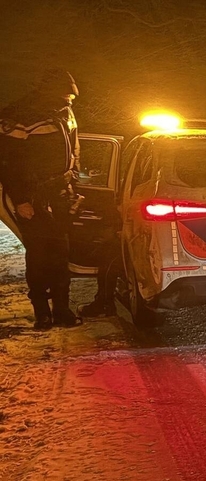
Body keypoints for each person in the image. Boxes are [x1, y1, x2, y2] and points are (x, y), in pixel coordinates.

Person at [0, 69, 83, 330]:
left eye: (70, 95)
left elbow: (74, 148)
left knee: (60, 253)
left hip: (59, 193)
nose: (69, 100)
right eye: (65, 95)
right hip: (31, 196)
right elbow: (8, 163)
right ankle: (41, 312)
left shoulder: (63, 113)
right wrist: (21, 199)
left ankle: (62, 309)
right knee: (38, 255)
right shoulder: (19, 116)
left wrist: (75, 179)